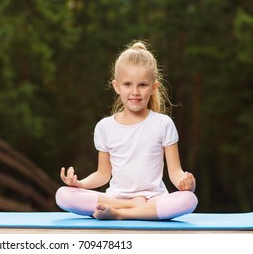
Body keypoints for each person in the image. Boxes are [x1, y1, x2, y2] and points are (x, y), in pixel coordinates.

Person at [55, 41, 198, 220]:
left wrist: (186, 184)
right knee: (63, 195)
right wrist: (79, 184)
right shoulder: (105, 127)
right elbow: (103, 174)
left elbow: (175, 171)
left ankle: (120, 214)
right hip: (117, 198)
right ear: (116, 86)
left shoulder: (164, 124)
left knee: (188, 200)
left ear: (154, 87)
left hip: (153, 198)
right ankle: (133, 207)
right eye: (127, 84)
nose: (135, 92)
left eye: (143, 85)